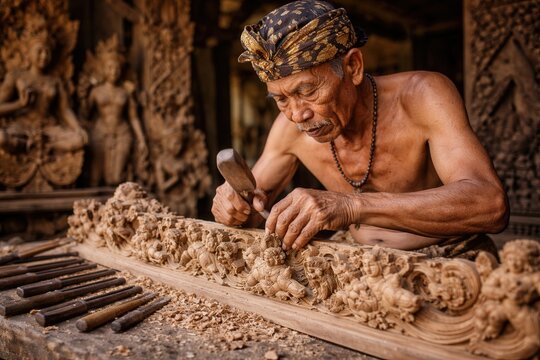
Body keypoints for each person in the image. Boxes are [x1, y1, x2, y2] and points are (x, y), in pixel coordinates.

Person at [212, 0, 508, 259]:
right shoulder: (290, 129)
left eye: (308, 91)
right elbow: (252, 210)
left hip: (450, 252)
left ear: (353, 67)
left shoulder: (422, 95)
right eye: (281, 99)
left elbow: (490, 205)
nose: (298, 114)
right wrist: (233, 206)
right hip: (355, 258)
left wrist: (352, 207)